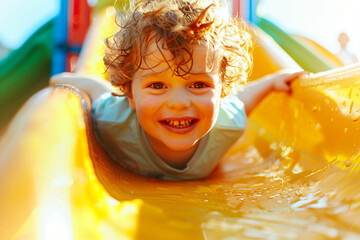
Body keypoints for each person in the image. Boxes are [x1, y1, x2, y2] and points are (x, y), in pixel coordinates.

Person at [51, 0, 305, 180]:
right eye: (157, 85)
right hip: (113, 110)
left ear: (221, 91)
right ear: (130, 95)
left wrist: (272, 83)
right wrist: (62, 83)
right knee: (99, 92)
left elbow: (243, 98)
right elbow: (91, 98)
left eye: (198, 84)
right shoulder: (109, 120)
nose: (179, 102)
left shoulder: (229, 122)